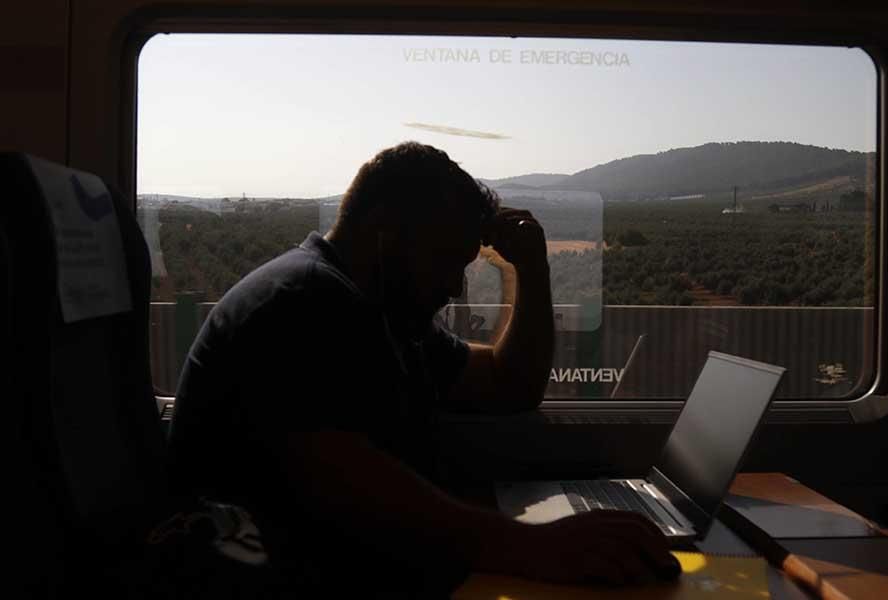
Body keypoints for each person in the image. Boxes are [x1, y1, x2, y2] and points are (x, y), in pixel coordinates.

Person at [167, 142, 680, 597]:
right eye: (446, 261)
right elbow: (351, 488)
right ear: (387, 235)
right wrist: (539, 548)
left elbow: (511, 385)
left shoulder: (384, 315)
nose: (455, 288)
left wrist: (533, 269)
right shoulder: (304, 301)